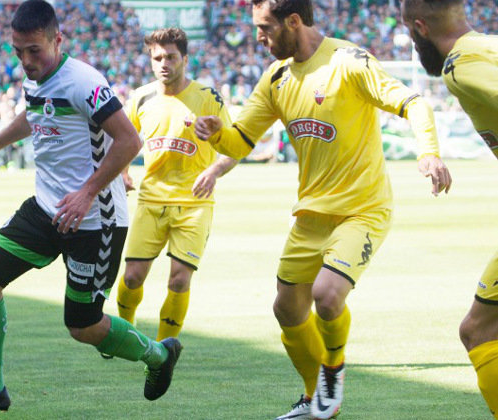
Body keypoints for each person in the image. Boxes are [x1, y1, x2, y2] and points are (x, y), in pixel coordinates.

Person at [194, 1, 452, 419]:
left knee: (327, 297)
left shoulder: (349, 62)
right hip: (310, 216)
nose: (258, 38)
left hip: (362, 210)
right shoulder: (275, 78)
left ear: (293, 21)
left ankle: (332, 371)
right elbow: (241, 141)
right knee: (286, 309)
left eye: (264, 28)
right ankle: (317, 400)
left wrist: (430, 154)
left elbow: (415, 103)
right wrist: (218, 135)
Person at [0, 0, 182, 415]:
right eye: (17, 52)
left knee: (83, 326)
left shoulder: (84, 81)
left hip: (96, 221)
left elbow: (129, 141)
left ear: (57, 40)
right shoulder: (36, 78)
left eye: (33, 50)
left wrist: (88, 191)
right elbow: (35, 114)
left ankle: (159, 356)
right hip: (45, 210)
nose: (25, 61)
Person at [401, 1, 498, 418]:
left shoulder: (459, 65)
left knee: (479, 330)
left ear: (421, 27)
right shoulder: (489, 45)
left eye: (409, 31)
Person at [116, 28, 237, 342]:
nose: (163, 63)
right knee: (131, 277)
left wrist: (213, 172)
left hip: (195, 205)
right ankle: (124, 333)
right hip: (151, 201)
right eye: (157, 58)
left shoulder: (208, 99)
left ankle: (161, 351)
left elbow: (236, 148)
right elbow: (125, 140)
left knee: (179, 281)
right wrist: (124, 173)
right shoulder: (141, 97)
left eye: (170, 56)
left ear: (185, 58)